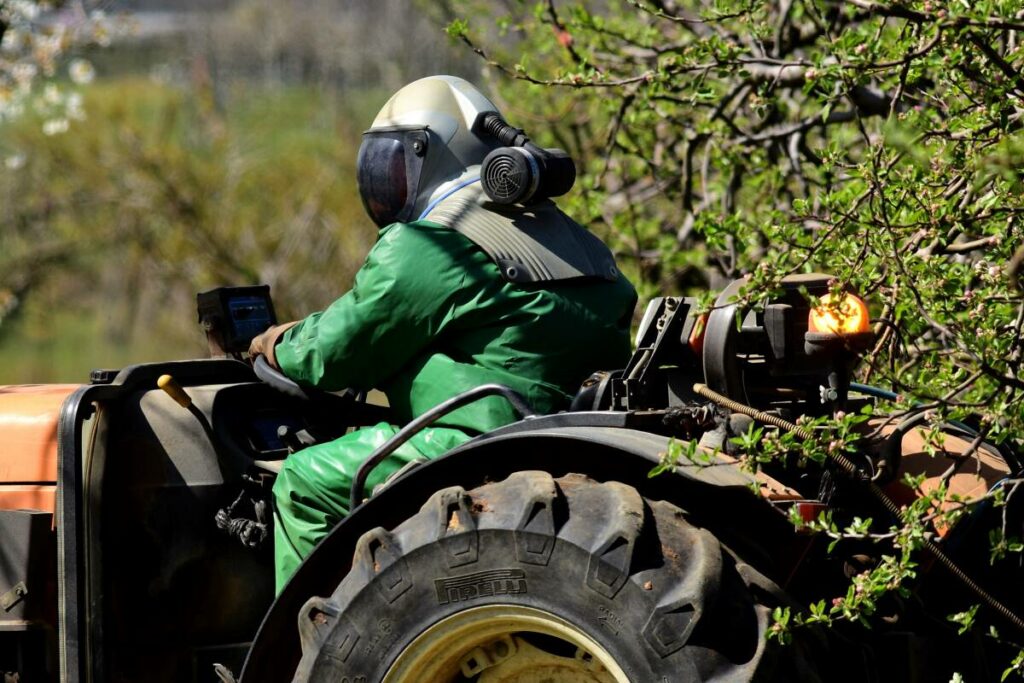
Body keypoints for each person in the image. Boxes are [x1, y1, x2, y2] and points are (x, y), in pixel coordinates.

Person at [249, 75, 637, 592]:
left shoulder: (434, 244)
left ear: (428, 157)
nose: (385, 184)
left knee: (302, 483)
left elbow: (336, 352)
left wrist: (275, 343)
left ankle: (303, 658)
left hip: (479, 440)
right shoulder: (576, 240)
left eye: (392, 166)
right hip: (569, 435)